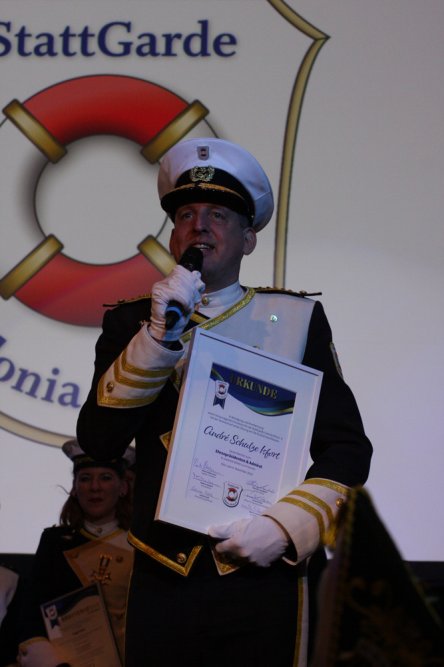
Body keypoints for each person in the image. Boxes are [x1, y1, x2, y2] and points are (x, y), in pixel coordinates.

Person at [76, 137, 373, 667]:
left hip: (263, 573)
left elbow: (347, 449)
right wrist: (158, 337)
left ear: (248, 238)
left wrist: (286, 527)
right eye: (185, 215)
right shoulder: (132, 322)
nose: (199, 226)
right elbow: (100, 442)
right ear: (173, 235)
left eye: (217, 214)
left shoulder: (295, 320)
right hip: (162, 574)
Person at [17, 440, 135, 667]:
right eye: (85, 478)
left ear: (123, 487)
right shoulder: (54, 543)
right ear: (74, 487)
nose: (95, 487)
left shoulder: (139, 546)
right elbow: (31, 614)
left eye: (105, 478)